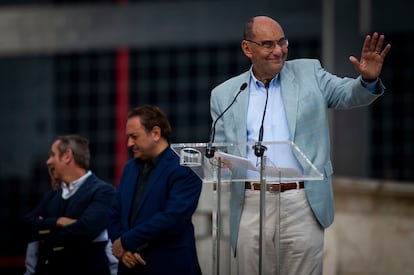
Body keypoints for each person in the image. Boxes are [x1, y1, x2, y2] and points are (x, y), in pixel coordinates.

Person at [209, 15, 391, 275]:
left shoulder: (309, 72)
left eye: (282, 42)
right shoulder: (225, 94)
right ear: (247, 48)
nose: (278, 50)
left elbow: (346, 95)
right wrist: (218, 162)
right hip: (250, 202)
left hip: (301, 200)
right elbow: (221, 152)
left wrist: (367, 81)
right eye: (268, 44)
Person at [109, 105, 203, 274]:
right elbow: (115, 212)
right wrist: (122, 249)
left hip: (168, 265)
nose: (129, 143)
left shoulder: (187, 164)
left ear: (156, 133)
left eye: (134, 137)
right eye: (128, 137)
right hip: (129, 265)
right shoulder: (129, 167)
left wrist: (126, 242)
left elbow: (172, 218)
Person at [23, 134, 115, 275]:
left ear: (67, 156)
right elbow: (26, 227)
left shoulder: (103, 192)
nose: (48, 162)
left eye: (52, 155)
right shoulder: (51, 196)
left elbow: (85, 230)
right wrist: (58, 222)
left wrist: (44, 236)